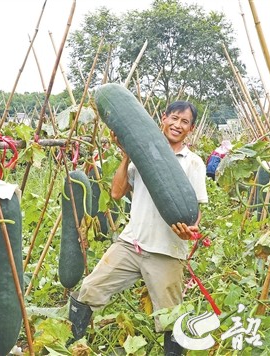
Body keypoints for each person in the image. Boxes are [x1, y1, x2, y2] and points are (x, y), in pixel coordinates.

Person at [68, 101, 208, 355]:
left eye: (184, 122)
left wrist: (191, 228)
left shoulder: (193, 163)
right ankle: (72, 345)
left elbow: (194, 211)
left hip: (167, 250)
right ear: (163, 118)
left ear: (191, 129)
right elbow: (116, 192)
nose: (177, 125)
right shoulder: (143, 157)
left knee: (170, 317)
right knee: (89, 290)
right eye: (174, 118)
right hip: (131, 244)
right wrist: (127, 153)